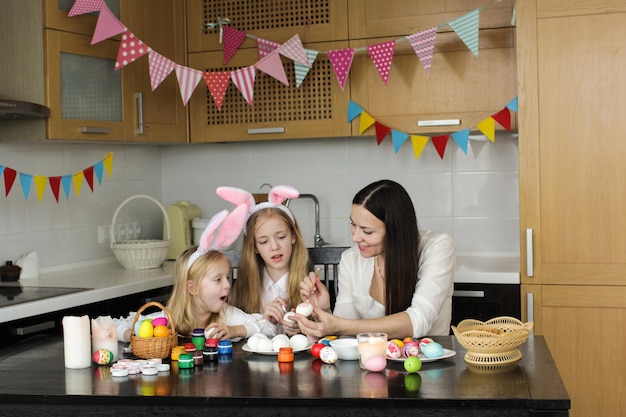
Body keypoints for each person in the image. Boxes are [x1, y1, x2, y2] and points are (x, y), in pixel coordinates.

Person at [295, 179, 455, 339]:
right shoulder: (351, 260)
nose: (356, 237)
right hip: (371, 362)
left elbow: (418, 321)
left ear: (395, 230)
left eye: (367, 231)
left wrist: (338, 324)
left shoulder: (436, 246)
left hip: (429, 361)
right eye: (353, 224)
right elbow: (344, 334)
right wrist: (323, 311)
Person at [115, 197, 277, 343]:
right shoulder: (167, 319)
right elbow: (116, 325)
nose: (227, 285)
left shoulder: (227, 315)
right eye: (218, 279)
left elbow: (268, 328)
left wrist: (235, 330)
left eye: (227, 277)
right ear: (192, 288)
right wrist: (134, 336)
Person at [221, 185, 309, 335]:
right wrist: (263, 319)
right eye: (263, 242)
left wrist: (301, 329)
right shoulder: (244, 288)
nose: (274, 247)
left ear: (293, 237)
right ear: (254, 247)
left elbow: (324, 332)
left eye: (281, 237)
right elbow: (232, 329)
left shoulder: (307, 286)